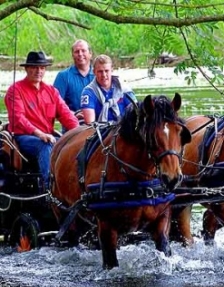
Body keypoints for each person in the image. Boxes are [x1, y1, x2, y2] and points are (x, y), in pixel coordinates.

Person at [4, 51, 79, 190]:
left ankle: (75, 185)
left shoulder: (51, 91)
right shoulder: (15, 91)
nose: (39, 71)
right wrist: (39, 134)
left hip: (48, 136)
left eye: (42, 68)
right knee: (45, 146)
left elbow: (66, 114)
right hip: (23, 138)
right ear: (26, 69)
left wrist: (80, 132)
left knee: (73, 145)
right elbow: (18, 118)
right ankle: (50, 189)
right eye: (34, 67)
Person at [80, 54, 136, 124]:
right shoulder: (88, 93)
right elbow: (90, 124)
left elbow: (135, 114)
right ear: (94, 72)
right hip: (100, 131)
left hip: (123, 129)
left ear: (112, 70)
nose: (104, 75)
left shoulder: (124, 89)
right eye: (100, 71)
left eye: (106, 71)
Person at [53, 39, 94, 113]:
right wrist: (73, 114)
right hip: (72, 122)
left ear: (90, 54)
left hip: (98, 122)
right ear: (72, 55)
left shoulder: (99, 75)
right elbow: (55, 105)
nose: (80, 54)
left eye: (83, 50)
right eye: (76, 51)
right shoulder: (63, 76)